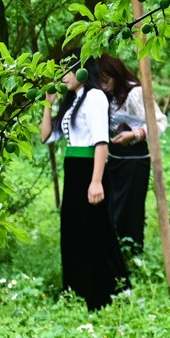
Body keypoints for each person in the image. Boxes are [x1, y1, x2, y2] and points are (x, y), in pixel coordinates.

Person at [39, 57, 130, 310]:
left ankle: (107, 294)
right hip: (74, 169)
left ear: (83, 71)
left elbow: (102, 142)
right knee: (73, 231)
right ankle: (77, 291)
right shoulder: (72, 101)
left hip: (92, 170)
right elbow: (46, 136)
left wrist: (96, 182)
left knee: (97, 232)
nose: (64, 76)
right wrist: (48, 105)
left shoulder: (95, 97)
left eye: (67, 71)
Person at [89, 54, 168, 256]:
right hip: (114, 160)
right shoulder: (105, 97)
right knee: (113, 208)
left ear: (117, 75)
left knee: (131, 209)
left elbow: (160, 122)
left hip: (134, 161)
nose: (104, 86)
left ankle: (133, 252)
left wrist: (135, 134)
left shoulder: (135, 93)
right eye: (100, 82)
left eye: (107, 80)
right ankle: (116, 251)